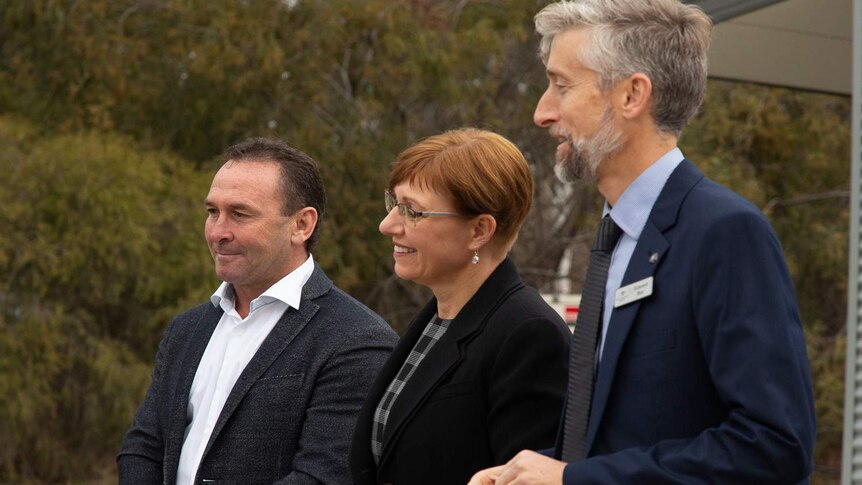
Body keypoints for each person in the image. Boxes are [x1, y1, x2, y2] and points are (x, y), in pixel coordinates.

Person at [469, 1, 816, 484]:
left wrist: (573, 480)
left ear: (632, 95)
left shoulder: (725, 233)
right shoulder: (615, 238)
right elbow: (617, 441)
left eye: (562, 85)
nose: (542, 113)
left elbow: (775, 447)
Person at [117, 138, 397, 484]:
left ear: (302, 225)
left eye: (240, 214)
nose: (218, 232)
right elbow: (143, 447)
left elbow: (322, 477)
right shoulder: (186, 329)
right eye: (212, 212)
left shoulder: (356, 341)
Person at [348, 128, 571, 484]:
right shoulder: (436, 320)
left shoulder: (529, 336)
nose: (387, 225)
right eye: (393, 203)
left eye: (412, 211)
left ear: (479, 230)